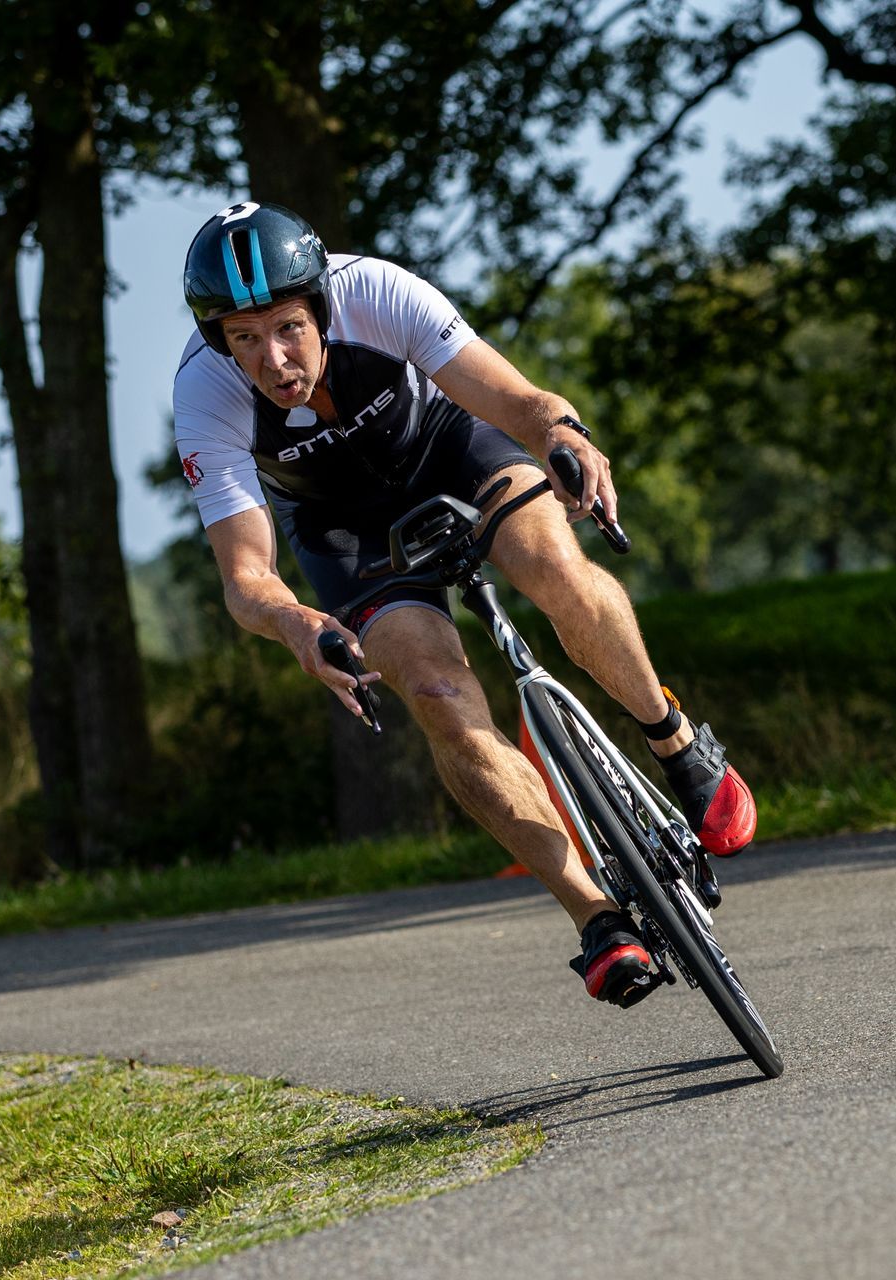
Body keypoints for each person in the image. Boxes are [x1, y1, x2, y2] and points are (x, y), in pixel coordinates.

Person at [171, 200, 756, 1008]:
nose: (272, 359)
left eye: (287, 328)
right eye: (244, 337)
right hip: (344, 529)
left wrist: (564, 434)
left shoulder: (377, 291)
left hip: (446, 449)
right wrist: (297, 625)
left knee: (552, 562)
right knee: (439, 697)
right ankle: (595, 917)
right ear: (218, 340)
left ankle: (674, 738)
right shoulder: (204, 396)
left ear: (320, 307)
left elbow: (518, 401)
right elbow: (247, 578)